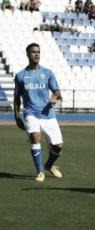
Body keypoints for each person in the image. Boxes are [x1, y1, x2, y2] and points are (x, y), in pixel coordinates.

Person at [13, 43, 63, 182]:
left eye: (38, 52)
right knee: (35, 137)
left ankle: (49, 165)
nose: (36, 54)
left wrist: (54, 96)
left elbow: (57, 91)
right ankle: (40, 171)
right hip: (30, 113)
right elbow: (17, 97)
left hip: (47, 114)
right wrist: (17, 117)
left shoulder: (47, 73)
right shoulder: (21, 75)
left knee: (58, 146)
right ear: (28, 54)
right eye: (33, 52)